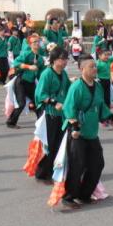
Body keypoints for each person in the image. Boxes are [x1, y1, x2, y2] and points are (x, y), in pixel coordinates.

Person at [60, 56, 113, 210]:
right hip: (78, 133)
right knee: (77, 165)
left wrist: (110, 117)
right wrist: (74, 128)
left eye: (95, 66)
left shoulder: (98, 86)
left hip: (92, 132)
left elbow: (101, 106)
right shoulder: (77, 87)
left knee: (97, 164)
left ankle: (84, 194)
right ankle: (69, 197)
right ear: (82, 69)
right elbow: (69, 109)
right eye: (92, 66)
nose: (95, 69)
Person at [34, 49, 71, 182]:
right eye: (62, 58)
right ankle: (42, 172)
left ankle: (54, 170)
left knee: (59, 143)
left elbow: (67, 89)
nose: (65, 61)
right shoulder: (47, 74)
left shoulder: (63, 73)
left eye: (66, 59)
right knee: (49, 144)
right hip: (50, 113)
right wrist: (53, 102)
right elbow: (40, 94)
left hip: (61, 114)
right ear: (54, 59)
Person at [7, 34, 45, 128]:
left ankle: (41, 123)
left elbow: (42, 73)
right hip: (21, 81)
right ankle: (11, 122)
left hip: (31, 83)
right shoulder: (26, 54)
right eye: (34, 42)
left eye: (38, 41)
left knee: (38, 103)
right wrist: (28, 66)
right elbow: (16, 63)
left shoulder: (40, 58)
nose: (37, 43)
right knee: (21, 104)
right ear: (30, 44)